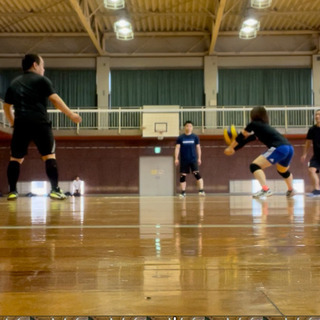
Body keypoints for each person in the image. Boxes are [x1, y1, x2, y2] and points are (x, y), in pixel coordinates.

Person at [3, 53, 82, 200]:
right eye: (42, 66)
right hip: (40, 123)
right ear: (35, 65)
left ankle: (13, 191)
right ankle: (54, 189)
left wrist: (13, 122)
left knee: (15, 159)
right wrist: (71, 115)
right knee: (49, 156)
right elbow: (55, 100)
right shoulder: (42, 80)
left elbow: (7, 106)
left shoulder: (14, 83)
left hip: (21, 124)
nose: (43, 69)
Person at [224, 106, 295, 198]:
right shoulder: (262, 128)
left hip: (279, 148)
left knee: (254, 166)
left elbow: (241, 136)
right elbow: (246, 140)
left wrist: (230, 147)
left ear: (253, 115)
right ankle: (291, 190)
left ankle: (265, 190)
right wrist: (234, 149)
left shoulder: (254, 124)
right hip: (289, 148)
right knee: (282, 170)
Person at [175, 120, 205, 198]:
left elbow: (198, 148)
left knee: (196, 174)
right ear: (185, 127)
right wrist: (176, 158)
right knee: (182, 176)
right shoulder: (180, 138)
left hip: (193, 159)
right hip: (184, 160)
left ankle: (201, 191)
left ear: (192, 128)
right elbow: (177, 148)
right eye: (187, 126)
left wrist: (199, 158)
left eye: (190, 126)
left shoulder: (195, 137)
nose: (189, 127)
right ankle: (183, 192)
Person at [301, 109, 320, 196]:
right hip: (316, 155)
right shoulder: (312, 129)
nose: (317, 116)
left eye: (319, 115)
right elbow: (308, 142)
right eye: (316, 115)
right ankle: (317, 189)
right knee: (311, 170)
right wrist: (305, 153)